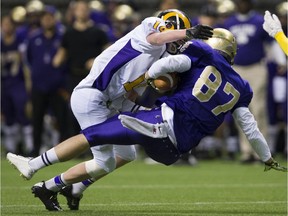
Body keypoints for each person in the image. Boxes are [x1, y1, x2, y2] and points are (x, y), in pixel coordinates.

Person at [8, 28, 287, 211]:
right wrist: (267, 158)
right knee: (122, 155)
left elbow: (166, 65)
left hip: (161, 121)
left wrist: (152, 78)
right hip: (174, 150)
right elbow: (250, 129)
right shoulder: (242, 88)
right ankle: (63, 188)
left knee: (93, 136)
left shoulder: (201, 55)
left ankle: (34, 166)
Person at [7, 9, 214, 211]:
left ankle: (74, 188)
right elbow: (157, 39)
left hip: (108, 102)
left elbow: (129, 97)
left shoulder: (158, 60)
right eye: (179, 33)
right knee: (102, 161)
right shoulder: (149, 27)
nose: (180, 42)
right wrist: (187, 33)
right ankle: (42, 178)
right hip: (92, 94)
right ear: (169, 27)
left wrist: (150, 110)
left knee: (126, 154)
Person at [222, 0, 278, 163]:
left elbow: (271, 43)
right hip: (236, 69)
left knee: (258, 109)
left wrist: (281, 60)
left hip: (257, 67)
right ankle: (247, 152)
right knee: (241, 111)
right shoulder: (229, 22)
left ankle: (263, 152)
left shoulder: (259, 20)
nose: (242, 5)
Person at [25, 5, 69, 156]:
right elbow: (29, 61)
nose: (47, 20)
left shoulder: (63, 36)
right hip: (39, 86)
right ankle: (35, 150)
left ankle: (64, 152)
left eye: (49, 17)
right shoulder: (34, 38)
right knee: (36, 120)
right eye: (44, 17)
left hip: (58, 87)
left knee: (62, 120)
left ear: (54, 19)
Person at [1, 15, 33, 155]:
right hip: (4, 83)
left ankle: (29, 147)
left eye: (9, 24)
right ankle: (11, 149)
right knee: (8, 116)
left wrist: (28, 85)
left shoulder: (21, 42)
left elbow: (26, 66)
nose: (7, 27)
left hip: (17, 83)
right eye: (4, 24)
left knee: (22, 114)